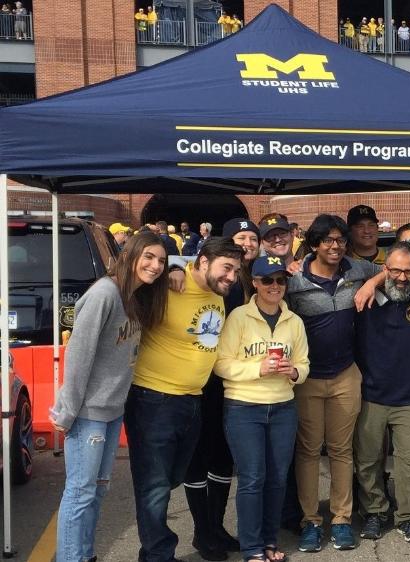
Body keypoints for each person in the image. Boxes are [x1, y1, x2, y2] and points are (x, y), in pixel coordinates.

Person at [124, 238, 243, 562]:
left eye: (236, 270)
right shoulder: (167, 285)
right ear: (202, 262)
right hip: (154, 401)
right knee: (154, 487)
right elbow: (130, 278)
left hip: (192, 401)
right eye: (226, 268)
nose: (232, 276)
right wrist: (174, 269)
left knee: (173, 478)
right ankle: (157, 555)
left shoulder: (217, 294)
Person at [52, 232, 169, 562]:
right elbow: (79, 357)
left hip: (112, 410)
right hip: (88, 413)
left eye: (161, 260)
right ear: (130, 254)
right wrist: (67, 412)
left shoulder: (134, 296)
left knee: (97, 491)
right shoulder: (104, 294)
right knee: (80, 492)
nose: (155, 265)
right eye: (148, 257)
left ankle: (84, 554)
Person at [283, 214, 380, 552]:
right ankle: (310, 521)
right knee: (308, 451)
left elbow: (392, 267)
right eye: (328, 241)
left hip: (345, 375)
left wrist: (372, 281)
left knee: (341, 451)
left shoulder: (356, 270)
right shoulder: (293, 280)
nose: (336, 246)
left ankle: (340, 519)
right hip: (307, 378)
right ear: (314, 244)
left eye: (340, 240)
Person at [215, 256, 310, 562]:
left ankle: (269, 541)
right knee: (253, 477)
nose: (275, 286)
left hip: (282, 407)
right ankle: (252, 547)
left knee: (278, 478)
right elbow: (221, 364)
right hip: (244, 407)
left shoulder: (294, 321)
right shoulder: (239, 317)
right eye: (267, 280)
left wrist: (293, 372)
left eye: (280, 280)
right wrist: (258, 368)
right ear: (254, 283)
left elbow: (304, 364)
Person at [178, 218, 262, 561]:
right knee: (197, 456)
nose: (246, 243)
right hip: (193, 381)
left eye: (251, 238)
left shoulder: (252, 276)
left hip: (228, 382)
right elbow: (179, 266)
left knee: (222, 456)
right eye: (240, 238)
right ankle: (202, 531)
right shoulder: (193, 275)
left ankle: (215, 527)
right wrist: (174, 268)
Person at [353, 242, 410, 543]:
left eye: (408, 271)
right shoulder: (364, 297)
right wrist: (372, 281)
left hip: (409, 396)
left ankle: (409, 516)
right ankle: (375, 511)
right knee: (367, 459)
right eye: (395, 270)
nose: (402, 277)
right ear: (384, 269)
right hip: (370, 393)